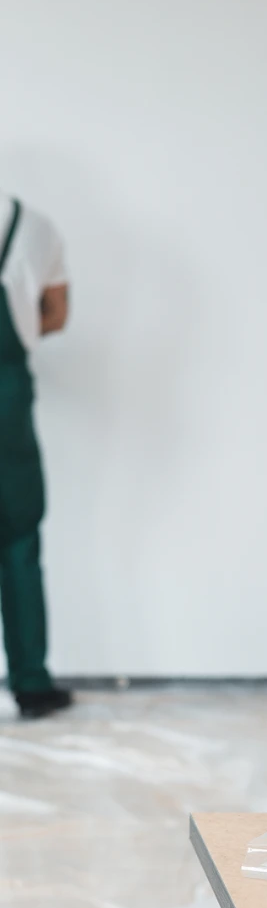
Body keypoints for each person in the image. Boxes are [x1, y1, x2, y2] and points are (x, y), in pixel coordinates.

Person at [0, 192, 72, 719]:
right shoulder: (36, 226)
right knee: (19, 538)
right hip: (7, 393)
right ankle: (31, 685)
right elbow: (55, 314)